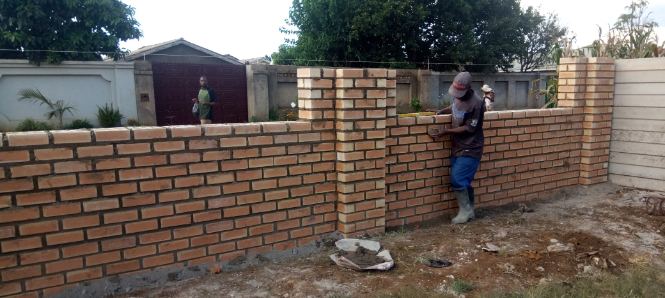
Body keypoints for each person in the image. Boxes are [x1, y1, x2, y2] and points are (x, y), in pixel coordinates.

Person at [428, 72, 484, 224]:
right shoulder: (458, 97)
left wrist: (446, 131)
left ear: (468, 88)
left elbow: (468, 128)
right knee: (463, 180)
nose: (457, 95)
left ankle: (465, 212)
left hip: (471, 147)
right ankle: (470, 212)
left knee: (457, 179)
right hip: (458, 146)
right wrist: (441, 112)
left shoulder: (477, 103)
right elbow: (454, 106)